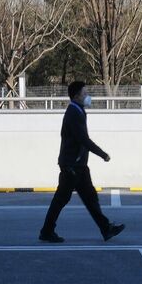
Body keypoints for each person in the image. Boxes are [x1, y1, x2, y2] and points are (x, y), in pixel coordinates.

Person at [39, 80, 125, 243]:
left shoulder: (78, 111)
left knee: (90, 197)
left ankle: (106, 228)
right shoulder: (73, 113)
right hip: (72, 166)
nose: (88, 97)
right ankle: (46, 231)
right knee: (62, 199)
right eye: (85, 94)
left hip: (78, 166)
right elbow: (83, 139)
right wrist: (102, 154)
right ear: (77, 96)